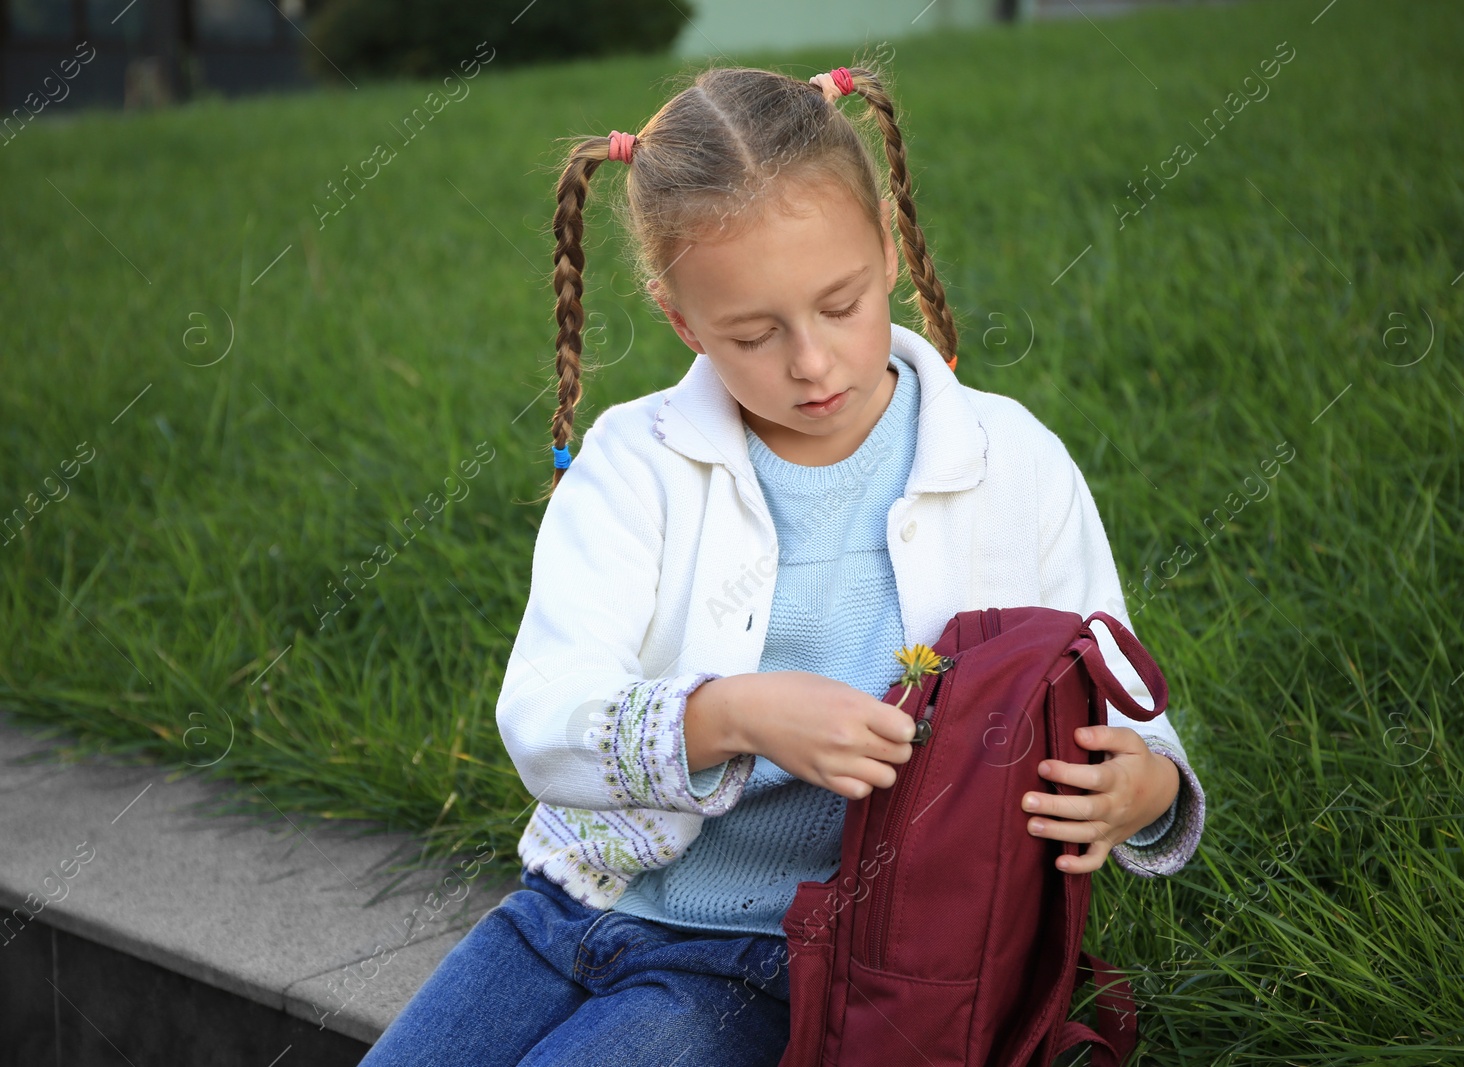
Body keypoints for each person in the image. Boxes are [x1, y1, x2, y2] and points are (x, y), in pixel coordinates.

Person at [359, 61, 1206, 1067]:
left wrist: (1145, 784)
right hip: (570, 905)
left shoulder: (1007, 460)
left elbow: (1108, 692)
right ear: (681, 320)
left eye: (840, 305)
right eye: (753, 335)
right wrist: (731, 714)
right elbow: (542, 712)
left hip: (779, 950)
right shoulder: (637, 464)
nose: (810, 363)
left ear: (887, 252)